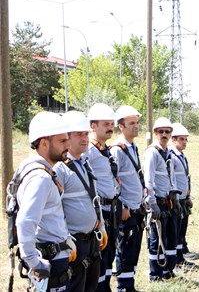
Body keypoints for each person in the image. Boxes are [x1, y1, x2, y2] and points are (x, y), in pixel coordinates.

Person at [15, 112, 74, 291]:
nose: (68, 145)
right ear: (44, 143)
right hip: (50, 262)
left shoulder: (34, 169)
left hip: (52, 257)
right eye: (62, 141)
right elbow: (25, 221)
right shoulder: (40, 177)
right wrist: (34, 262)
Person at [55, 111, 104, 292]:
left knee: (91, 287)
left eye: (85, 134)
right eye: (78, 134)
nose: (84, 139)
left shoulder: (85, 162)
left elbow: (94, 197)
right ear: (66, 137)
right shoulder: (60, 168)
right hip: (75, 242)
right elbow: (55, 209)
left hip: (91, 241)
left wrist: (102, 227)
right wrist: (65, 239)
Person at [110, 105, 145, 292]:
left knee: (133, 249)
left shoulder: (132, 147)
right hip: (126, 208)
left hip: (137, 206)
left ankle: (129, 285)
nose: (136, 126)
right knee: (124, 249)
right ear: (121, 126)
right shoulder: (117, 149)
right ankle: (123, 287)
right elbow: (113, 181)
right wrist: (121, 205)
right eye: (131, 123)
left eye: (137, 122)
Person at [86, 103, 120, 292]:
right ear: (93, 126)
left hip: (111, 210)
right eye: (106, 123)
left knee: (109, 257)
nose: (110, 127)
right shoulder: (89, 151)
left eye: (111, 123)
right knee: (100, 259)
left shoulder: (104, 149)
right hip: (100, 213)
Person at [144, 117, 178, 281]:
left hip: (168, 202)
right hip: (157, 201)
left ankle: (167, 271)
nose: (164, 134)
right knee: (156, 240)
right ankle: (154, 274)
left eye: (167, 131)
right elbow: (148, 181)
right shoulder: (152, 153)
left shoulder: (168, 152)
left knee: (169, 237)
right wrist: (151, 204)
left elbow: (171, 178)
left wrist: (175, 197)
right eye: (161, 131)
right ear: (156, 133)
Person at [168, 123, 196, 269]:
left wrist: (188, 195)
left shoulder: (181, 156)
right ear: (173, 139)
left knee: (181, 230)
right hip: (176, 200)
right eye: (181, 139)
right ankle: (176, 259)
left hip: (183, 199)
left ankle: (180, 256)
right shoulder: (172, 156)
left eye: (185, 139)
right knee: (176, 231)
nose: (184, 142)